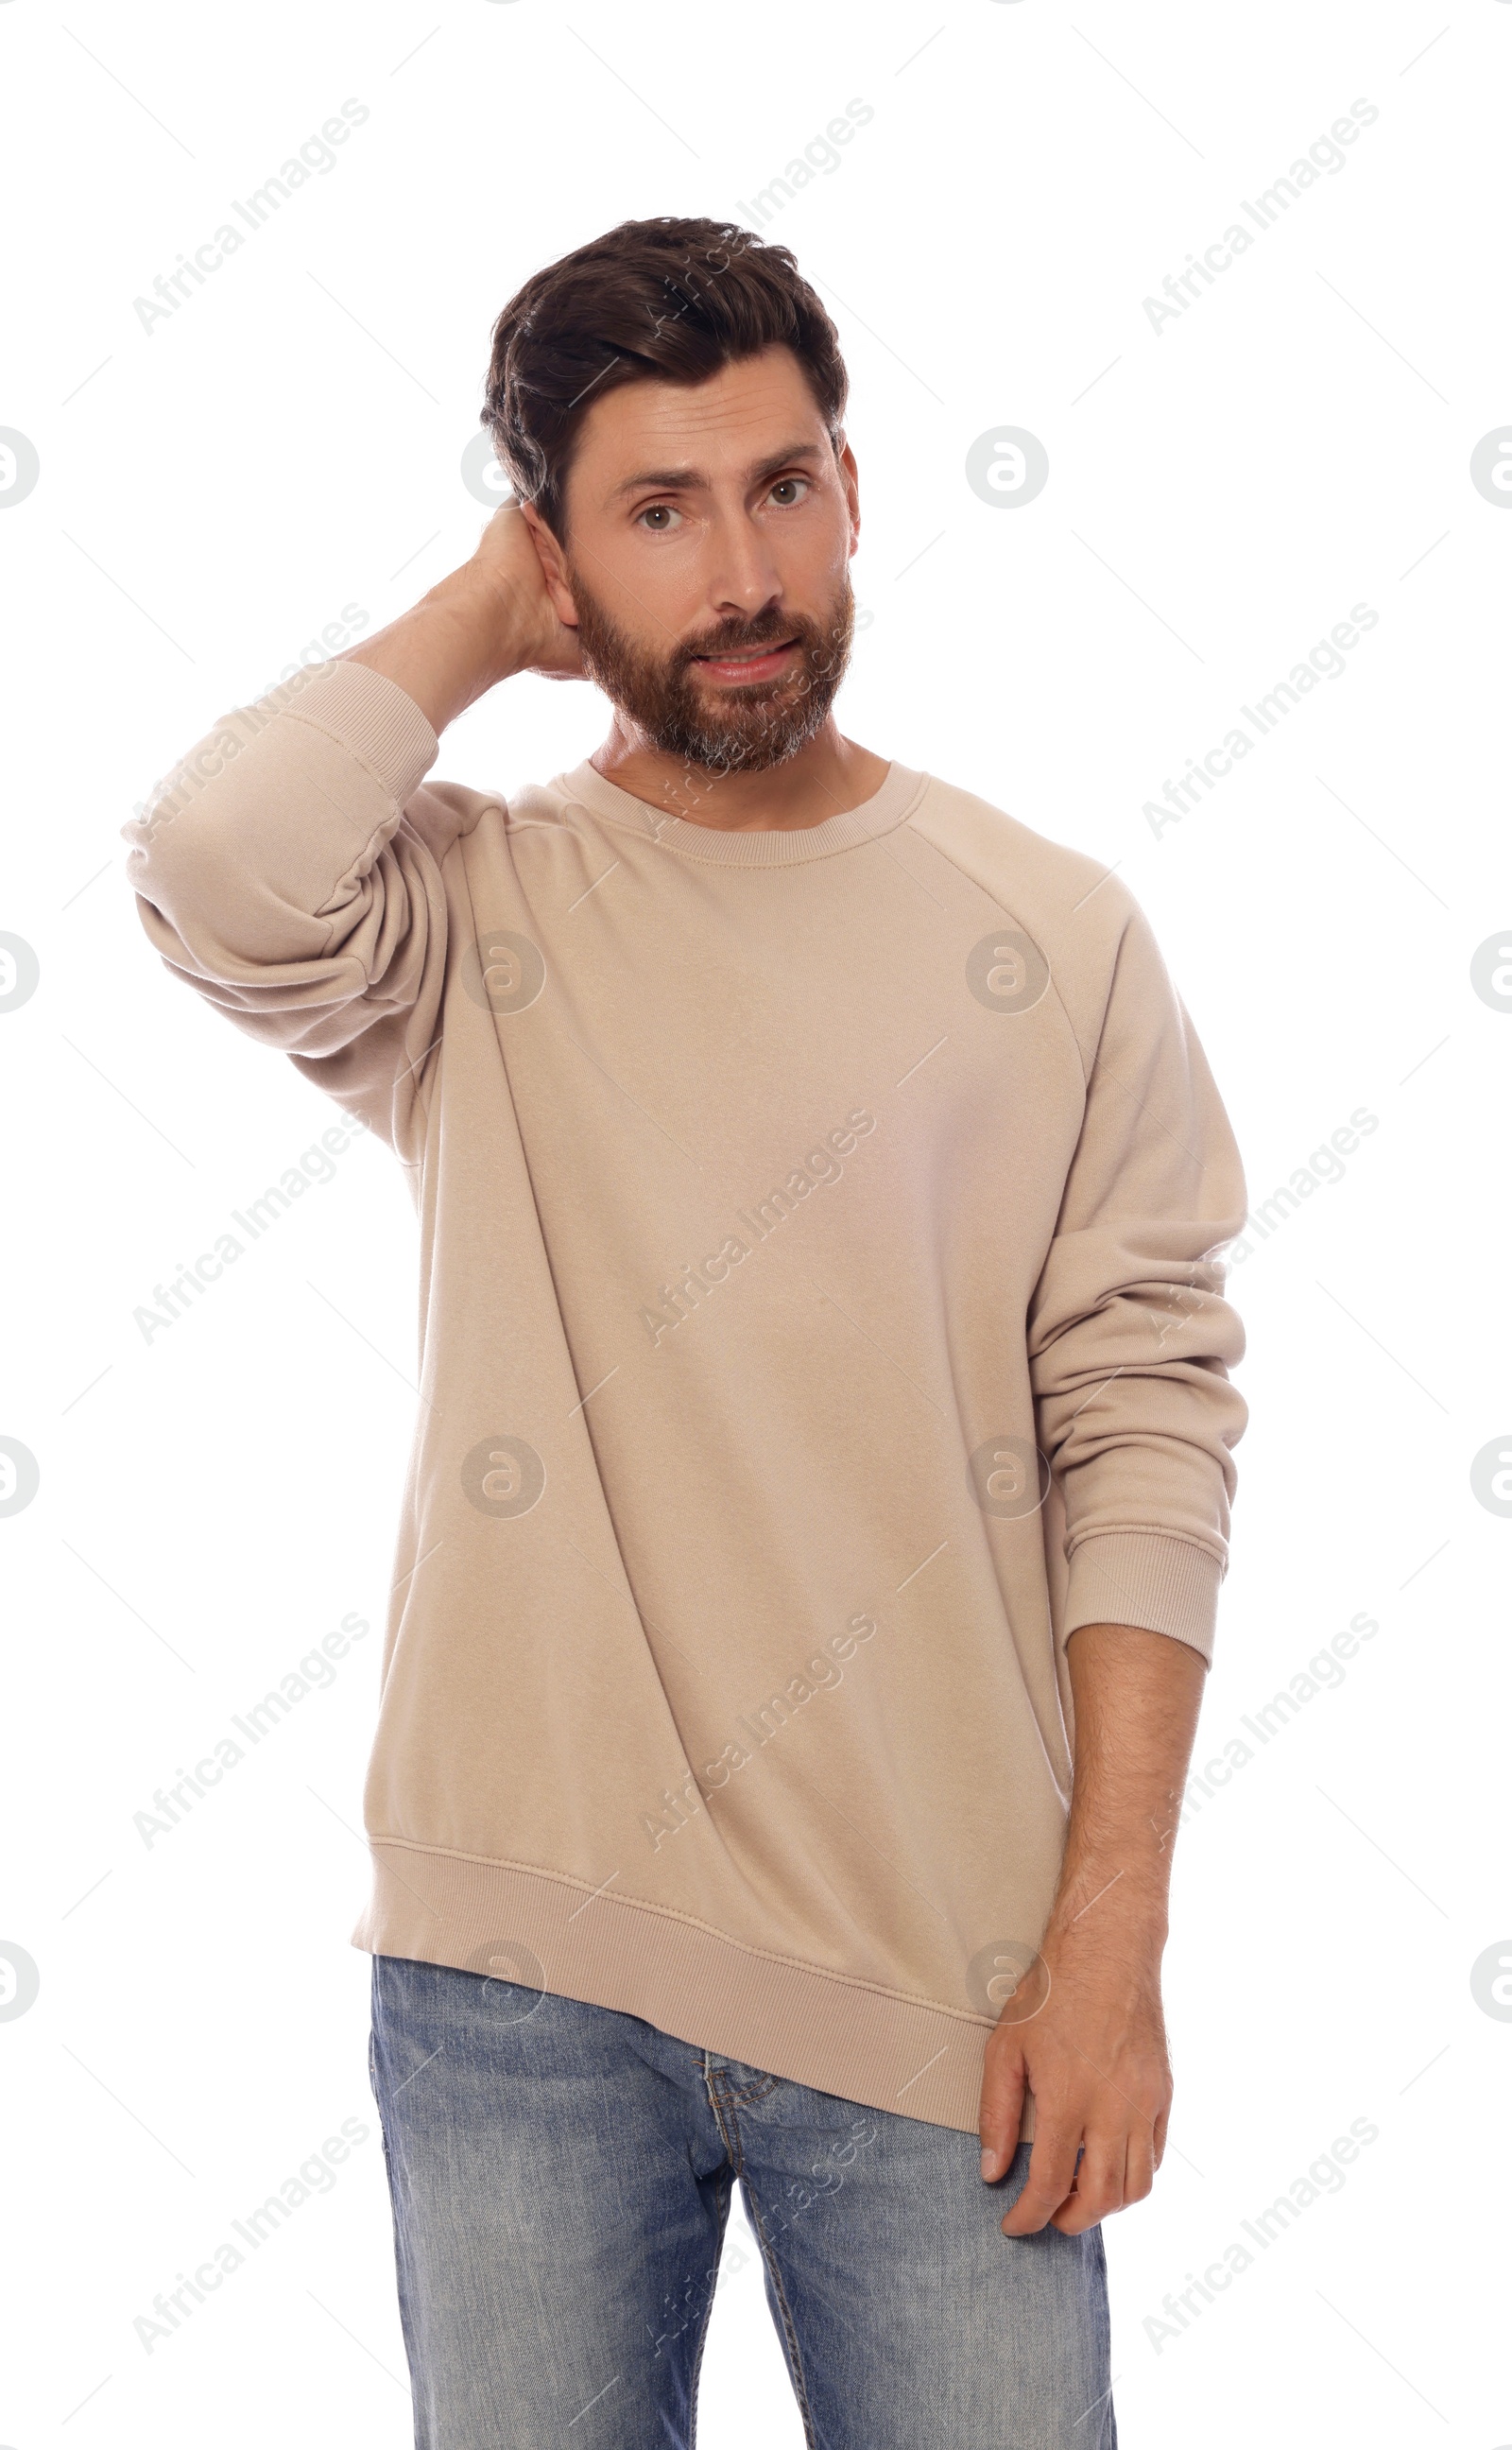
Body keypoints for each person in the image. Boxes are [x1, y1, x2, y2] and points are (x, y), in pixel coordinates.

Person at [124, 215, 1247, 2449]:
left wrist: (1109, 1936)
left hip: (955, 1981)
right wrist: (470, 621)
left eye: (781, 487)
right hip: (524, 1986)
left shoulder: (1045, 931)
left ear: (853, 490)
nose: (742, 572)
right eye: (655, 513)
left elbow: (1143, 1423)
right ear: (555, 560)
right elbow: (215, 867)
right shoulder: (472, 913)